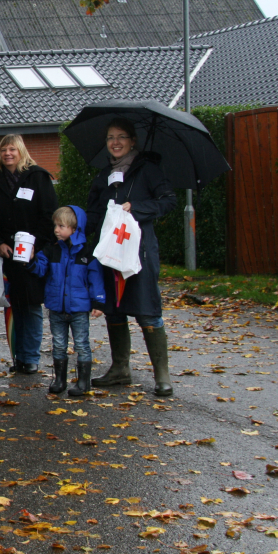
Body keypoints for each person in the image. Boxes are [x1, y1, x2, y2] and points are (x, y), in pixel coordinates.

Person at [87, 119, 177, 397]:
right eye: (110, 137)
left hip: (139, 253)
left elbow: (168, 200)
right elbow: (94, 212)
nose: (115, 142)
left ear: (132, 141)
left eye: (121, 137)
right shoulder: (104, 175)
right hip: (109, 253)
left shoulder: (148, 170)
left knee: (147, 309)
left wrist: (135, 207)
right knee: (114, 309)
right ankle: (120, 369)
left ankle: (162, 375)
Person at [0, 134, 58, 375]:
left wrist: (36, 245)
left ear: (21, 151)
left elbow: (49, 215)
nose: (8, 153)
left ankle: (31, 357)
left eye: (12, 149)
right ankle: (17, 356)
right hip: (5, 254)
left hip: (31, 255)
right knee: (12, 306)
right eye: (4, 149)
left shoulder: (38, 177)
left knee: (31, 306)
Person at [30, 206, 105, 395]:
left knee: (81, 344)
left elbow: (95, 278)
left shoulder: (87, 253)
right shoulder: (51, 250)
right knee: (58, 344)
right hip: (56, 307)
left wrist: (98, 302)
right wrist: (31, 260)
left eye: (61, 226)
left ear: (74, 228)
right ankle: (59, 380)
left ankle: (83, 383)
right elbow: (40, 269)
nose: (56, 230)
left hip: (79, 308)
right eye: (55, 225)